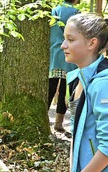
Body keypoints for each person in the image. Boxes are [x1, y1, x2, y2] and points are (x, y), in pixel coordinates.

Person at [58, 13, 108, 172]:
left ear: (92, 43)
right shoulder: (80, 78)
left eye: (71, 39)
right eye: (64, 39)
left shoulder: (103, 82)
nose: (63, 45)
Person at [48, 0, 79, 133]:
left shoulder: (53, 11)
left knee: (50, 87)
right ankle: (59, 122)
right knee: (65, 91)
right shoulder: (76, 14)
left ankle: (43, 117)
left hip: (54, 53)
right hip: (69, 55)